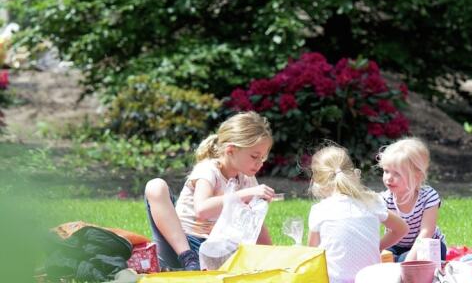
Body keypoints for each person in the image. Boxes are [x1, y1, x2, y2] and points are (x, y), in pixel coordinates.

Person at [144, 111, 275, 271]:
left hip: (213, 249)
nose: (259, 163)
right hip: (181, 244)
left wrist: (271, 256)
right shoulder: (208, 170)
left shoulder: (247, 179)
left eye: (262, 158)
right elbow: (202, 210)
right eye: (255, 156)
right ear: (231, 150)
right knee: (155, 186)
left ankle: (197, 265)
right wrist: (243, 195)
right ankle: (187, 258)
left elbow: (256, 223)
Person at [307, 145, 408, 283]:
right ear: (351, 172)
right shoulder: (371, 202)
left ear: (318, 181)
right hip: (372, 279)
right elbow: (402, 229)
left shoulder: (320, 210)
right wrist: (376, 246)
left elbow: (312, 254)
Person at [378, 137, 447, 262]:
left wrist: (409, 259)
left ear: (417, 176)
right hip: (395, 245)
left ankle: (402, 262)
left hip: (426, 244)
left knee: (429, 255)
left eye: (397, 173)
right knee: (383, 259)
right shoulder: (383, 200)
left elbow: (426, 232)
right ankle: (399, 262)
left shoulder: (428, 197)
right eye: (386, 171)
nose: (389, 178)